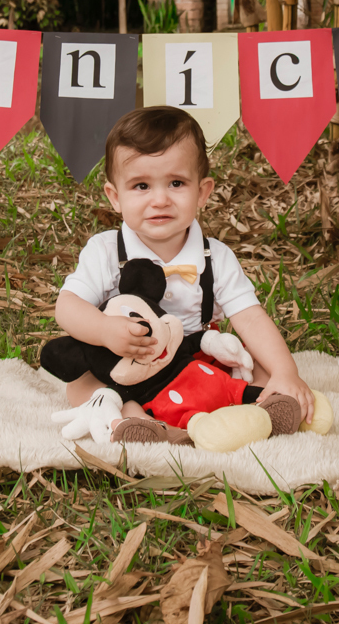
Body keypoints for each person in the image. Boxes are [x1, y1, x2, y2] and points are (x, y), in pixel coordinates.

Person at [53, 105, 315, 440]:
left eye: (176, 183)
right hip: (131, 362)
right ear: (115, 197)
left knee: (257, 363)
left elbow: (249, 317)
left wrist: (286, 370)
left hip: (195, 356)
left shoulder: (215, 257)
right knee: (84, 383)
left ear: (202, 192)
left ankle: (263, 406)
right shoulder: (105, 251)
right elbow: (67, 306)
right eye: (141, 186)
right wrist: (104, 330)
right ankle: (134, 423)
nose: (160, 199)